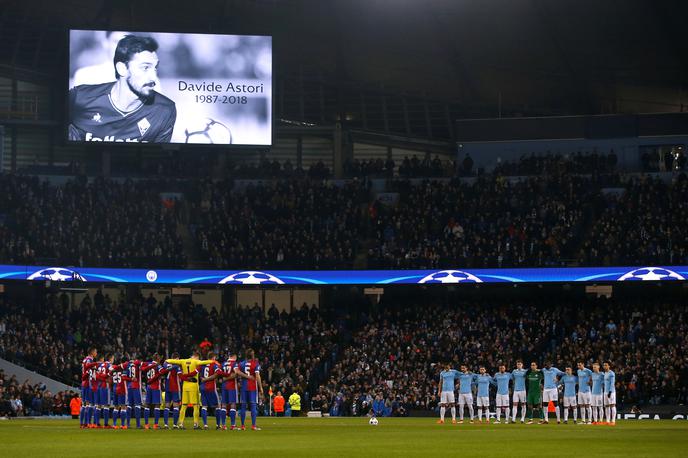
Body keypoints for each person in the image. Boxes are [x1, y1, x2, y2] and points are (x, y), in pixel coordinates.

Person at [68, 34, 176, 143]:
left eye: (155, 68)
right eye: (145, 68)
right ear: (122, 69)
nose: (153, 77)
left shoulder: (164, 110)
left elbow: (158, 157)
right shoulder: (79, 98)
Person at [165, 351, 216, 429]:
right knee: (196, 406)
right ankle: (195, 424)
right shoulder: (196, 361)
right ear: (196, 356)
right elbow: (205, 362)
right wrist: (213, 361)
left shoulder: (183, 361)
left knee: (184, 405)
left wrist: (167, 361)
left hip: (185, 386)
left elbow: (170, 361)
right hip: (193, 386)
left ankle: (180, 424)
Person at [218, 352, 251, 430]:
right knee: (233, 405)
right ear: (234, 356)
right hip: (232, 386)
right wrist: (247, 376)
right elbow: (236, 372)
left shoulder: (223, 364)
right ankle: (233, 425)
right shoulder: (234, 363)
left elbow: (218, 373)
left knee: (224, 405)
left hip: (224, 386)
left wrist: (223, 379)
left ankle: (223, 425)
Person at [239, 349, 263, 430]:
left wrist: (245, 376)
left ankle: (242, 426)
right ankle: (253, 426)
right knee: (253, 406)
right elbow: (257, 376)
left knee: (243, 406)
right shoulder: (255, 364)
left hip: (243, 387)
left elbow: (237, 372)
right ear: (252, 355)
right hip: (252, 387)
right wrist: (261, 387)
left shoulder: (242, 364)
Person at [198, 352, 222, 430]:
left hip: (202, 387)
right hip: (211, 387)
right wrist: (207, 379)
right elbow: (217, 373)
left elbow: (198, 373)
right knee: (217, 406)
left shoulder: (202, 364)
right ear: (213, 357)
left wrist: (202, 378)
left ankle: (205, 425)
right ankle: (218, 425)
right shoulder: (214, 364)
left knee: (204, 406)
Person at [141, 354, 164, 429]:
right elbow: (162, 372)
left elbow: (142, 369)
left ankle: (146, 425)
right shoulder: (158, 365)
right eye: (159, 358)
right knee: (157, 405)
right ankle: (156, 425)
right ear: (157, 359)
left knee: (147, 405)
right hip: (156, 386)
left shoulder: (148, 364)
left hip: (148, 386)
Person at [159, 355, 182, 429]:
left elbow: (164, 368)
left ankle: (166, 425)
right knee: (176, 406)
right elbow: (180, 375)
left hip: (167, 387)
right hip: (175, 387)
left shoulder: (166, 363)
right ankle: (175, 425)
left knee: (167, 406)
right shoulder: (178, 366)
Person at [80, 347, 98, 429]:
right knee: (88, 404)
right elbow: (89, 371)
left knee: (84, 404)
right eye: (95, 352)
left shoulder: (84, 359)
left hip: (84, 383)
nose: (96, 353)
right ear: (92, 352)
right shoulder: (89, 360)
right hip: (88, 383)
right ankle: (87, 423)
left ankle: (82, 423)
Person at [603, 361, 617, 426]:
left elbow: (612, 383)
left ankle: (613, 421)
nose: (604, 366)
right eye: (604, 365)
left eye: (606, 365)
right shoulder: (605, 373)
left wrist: (610, 392)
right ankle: (608, 421)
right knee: (607, 406)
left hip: (611, 392)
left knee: (612, 405)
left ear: (609, 366)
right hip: (605, 392)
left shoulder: (612, 373)